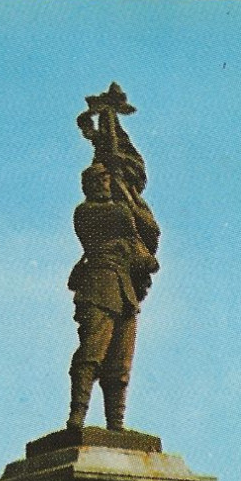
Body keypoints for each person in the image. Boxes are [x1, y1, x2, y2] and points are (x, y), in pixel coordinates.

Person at [66, 162, 160, 431]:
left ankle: (115, 421)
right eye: (99, 182)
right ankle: (77, 416)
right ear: (89, 186)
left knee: (120, 362)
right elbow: (119, 220)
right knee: (91, 353)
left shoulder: (122, 216)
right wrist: (128, 195)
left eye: (107, 182)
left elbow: (146, 252)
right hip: (98, 287)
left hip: (125, 293)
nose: (104, 186)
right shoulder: (87, 212)